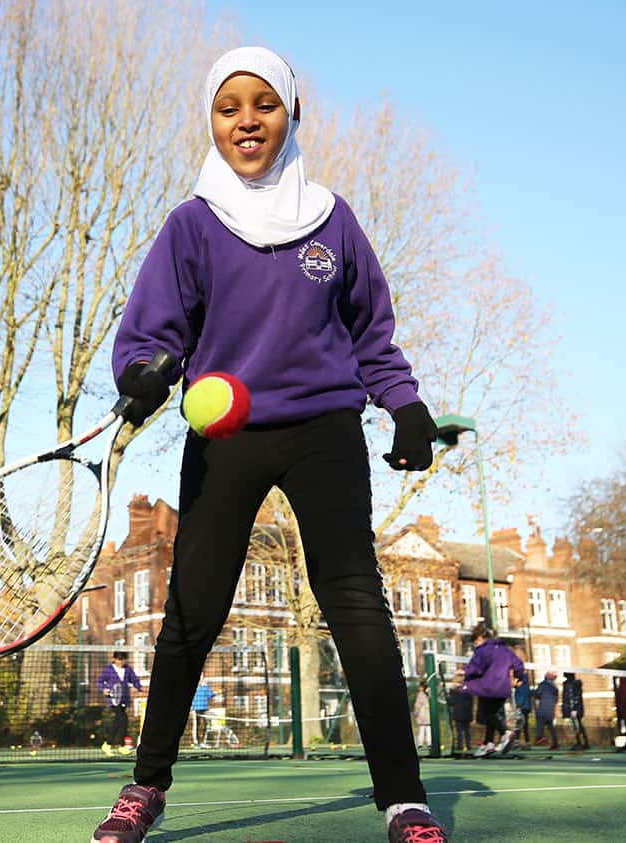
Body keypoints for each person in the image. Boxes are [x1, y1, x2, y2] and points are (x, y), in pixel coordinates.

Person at [94, 45, 446, 843]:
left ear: (291, 115)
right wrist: (146, 374)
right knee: (193, 608)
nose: (246, 119)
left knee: (355, 602)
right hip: (226, 436)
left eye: (263, 104)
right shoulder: (192, 223)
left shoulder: (334, 219)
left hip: (324, 426)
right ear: (211, 123)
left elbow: (372, 333)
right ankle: (145, 786)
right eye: (228, 107)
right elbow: (152, 331)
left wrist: (405, 405)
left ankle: (404, 798)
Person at [464, 624, 526, 758]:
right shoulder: (506, 650)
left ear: (480, 637)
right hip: (503, 688)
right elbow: (519, 665)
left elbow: (477, 668)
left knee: (486, 715)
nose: (474, 642)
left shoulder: (482, 650)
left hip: (487, 687)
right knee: (491, 715)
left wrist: (464, 672)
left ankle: (505, 732)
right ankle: (488, 744)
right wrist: (518, 677)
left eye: (475, 639)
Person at [98, 650, 144, 756]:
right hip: (113, 700)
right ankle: (120, 746)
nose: (121, 662)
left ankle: (109, 745)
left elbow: (134, 679)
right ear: (114, 659)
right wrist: (104, 689)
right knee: (123, 720)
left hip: (124, 699)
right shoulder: (108, 670)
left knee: (117, 723)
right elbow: (100, 681)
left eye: (123, 659)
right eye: (119, 659)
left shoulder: (128, 669)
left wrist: (140, 688)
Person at [446, 673, 473, 757]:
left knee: (459, 731)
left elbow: (451, 702)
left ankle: (460, 745)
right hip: (467, 713)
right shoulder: (468, 690)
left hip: (458, 713)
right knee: (467, 730)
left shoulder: (453, 691)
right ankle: (468, 745)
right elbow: (471, 702)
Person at [532, 671, 559, 749]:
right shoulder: (555, 688)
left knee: (540, 724)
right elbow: (556, 700)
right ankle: (555, 744)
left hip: (543, 708)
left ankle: (540, 738)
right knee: (551, 727)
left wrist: (533, 692)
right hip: (551, 710)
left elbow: (538, 694)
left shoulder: (543, 684)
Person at [562, 672, 588, 750]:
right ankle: (581, 742)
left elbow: (573, 697)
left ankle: (581, 742)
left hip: (575, 709)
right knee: (577, 725)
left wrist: (574, 708)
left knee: (578, 725)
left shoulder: (572, 685)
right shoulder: (570, 685)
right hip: (574, 708)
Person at [190, 674, 216, 747]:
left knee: (205, 725)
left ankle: (203, 742)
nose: (201, 678)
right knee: (196, 725)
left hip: (204, 709)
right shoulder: (193, 687)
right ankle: (196, 743)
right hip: (196, 709)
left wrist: (217, 692)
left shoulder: (205, 687)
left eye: (202, 677)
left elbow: (211, 695)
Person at [412, 684, 432, 750]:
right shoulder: (429, 694)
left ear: (422, 687)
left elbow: (417, 705)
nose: (419, 688)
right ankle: (429, 744)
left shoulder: (420, 695)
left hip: (422, 714)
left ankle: (420, 744)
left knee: (422, 729)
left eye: (420, 687)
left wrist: (415, 713)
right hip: (428, 714)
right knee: (428, 730)